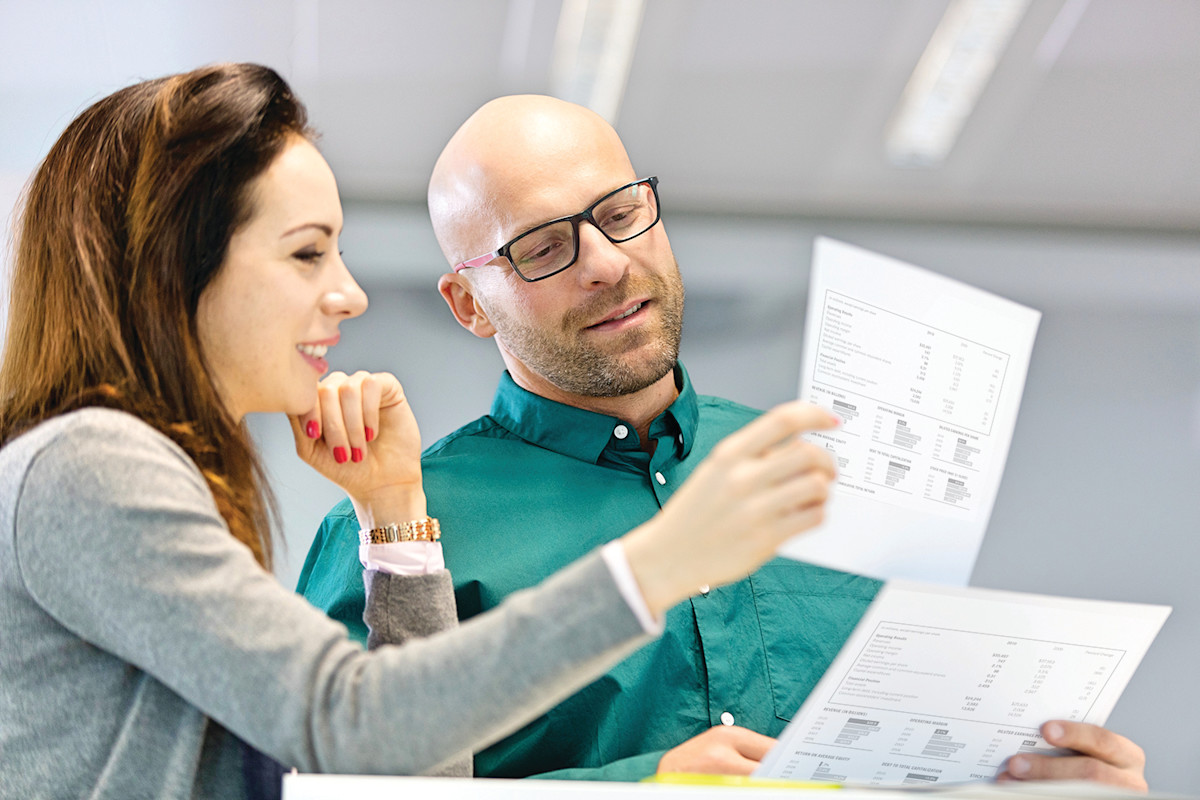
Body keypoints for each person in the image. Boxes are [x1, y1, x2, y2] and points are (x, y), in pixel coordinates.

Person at [0, 65, 845, 800]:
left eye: (623, 213)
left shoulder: (136, 475)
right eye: (307, 253)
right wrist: (657, 568)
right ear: (172, 268)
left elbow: (392, 761)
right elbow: (353, 730)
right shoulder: (92, 466)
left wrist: (395, 513)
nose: (351, 294)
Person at [297, 94, 1150, 790]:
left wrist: (1040, 781)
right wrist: (644, 787)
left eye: (621, 213)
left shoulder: (830, 472)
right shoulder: (395, 536)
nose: (606, 263)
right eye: (544, 248)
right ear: (469, 305)